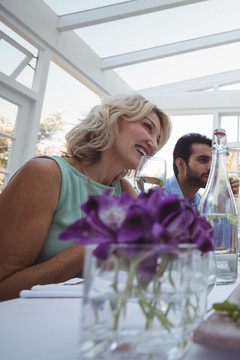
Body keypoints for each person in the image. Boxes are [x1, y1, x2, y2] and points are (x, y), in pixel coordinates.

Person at [0, 94, 171, 301]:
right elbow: (4, 287)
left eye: (158, 140)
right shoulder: (45, 174)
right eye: (148, 127)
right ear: (113, 118)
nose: (153, 144)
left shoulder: (124, 190)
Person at [163, 133, 239, 208]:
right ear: (180, 164)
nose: (211, 167)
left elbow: (215, 220)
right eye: (203, 160)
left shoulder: (199, 201)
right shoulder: (158, 197)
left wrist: (225, 201)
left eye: (213, 162)